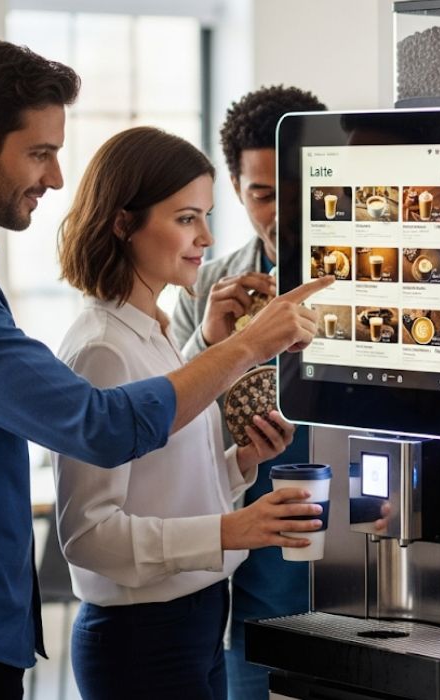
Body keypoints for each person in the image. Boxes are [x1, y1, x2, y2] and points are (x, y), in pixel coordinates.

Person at [0, 40, 329, 699]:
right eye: (39, 152)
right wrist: (242, 347)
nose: (56, 177)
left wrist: (235, 457)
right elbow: (98, 427)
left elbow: (155, 463)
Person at [53, 126, 321, 700]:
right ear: (123, 223)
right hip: (142, 639)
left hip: (194, 621)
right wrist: (232, 529)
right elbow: (89, 537)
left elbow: (161, 486)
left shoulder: (156, 333)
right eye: (185, 218)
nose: (206, 236)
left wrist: (241, 463)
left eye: (205, 215)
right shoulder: (102, 348)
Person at [171, 85, 326, 699]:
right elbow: (167, 417)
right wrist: (215, 345)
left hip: (360, 535)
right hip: (252, 546)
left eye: (298, 192)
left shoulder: (378, 279)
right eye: (263, 194)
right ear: (235, 190)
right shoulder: (206, 284)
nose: (282, 212)